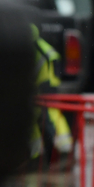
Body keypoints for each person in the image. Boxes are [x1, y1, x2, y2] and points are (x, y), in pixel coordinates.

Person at [31, 24, 72, 163]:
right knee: (46, 113)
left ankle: (58, 151)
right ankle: (56, 150)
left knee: (47, 114)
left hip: (45, 82)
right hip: (49, 80)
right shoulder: (40, 45)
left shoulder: (34, 47)